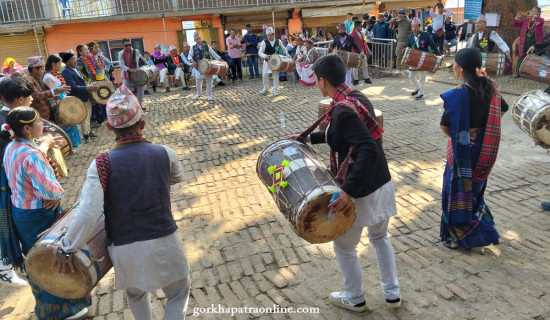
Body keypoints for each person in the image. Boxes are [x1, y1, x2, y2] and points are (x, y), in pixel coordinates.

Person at [51, 85, 190, 320]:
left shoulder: (101, 164)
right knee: (177, 294)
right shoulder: (164, 153)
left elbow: (88, 213)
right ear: (143, 124)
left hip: (125, 249)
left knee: (136, 295)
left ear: (109, 127)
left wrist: (66, 248)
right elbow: (177, 177)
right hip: (165, 241)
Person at [286, 54, 401, 312]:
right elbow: (340, 135)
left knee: (344, 246)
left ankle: (355, 297)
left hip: (360, 188)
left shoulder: (341, 111)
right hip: (380, 181)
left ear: (323, 81)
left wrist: (347, 191)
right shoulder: (357, 98)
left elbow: (367, 149)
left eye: (316, 80)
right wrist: (309, 139)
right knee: (380, 237)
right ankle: (392, 295)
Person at [1, 106, 91, 319]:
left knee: (35, 259)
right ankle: (61, 310)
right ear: (27, 130)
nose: (43, 125)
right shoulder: (32, 155)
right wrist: (57, 194)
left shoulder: (12, 147)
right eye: (38, 122)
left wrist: (45, 144)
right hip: (38, 214)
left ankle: (44, 306)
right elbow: (51, 190)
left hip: (21, 212)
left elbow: (31, 159)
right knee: (51, 260)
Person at [439, 47, 509, 250]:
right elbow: (502, 109)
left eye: (454, 63)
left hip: (463, 151)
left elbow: (445, 127)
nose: (453, 66)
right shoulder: (490, 87)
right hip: (483, 149)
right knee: (475, 194)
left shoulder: (458, 95)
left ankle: (456, 238)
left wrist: (463, 134)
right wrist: (482, 129)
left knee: (456, 195)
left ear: (460, 69)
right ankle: (486, 231)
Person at [0, 78, 32, 288]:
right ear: (20, 99)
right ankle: (5, 266)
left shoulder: (10, 116)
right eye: (29, 97)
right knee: (5, 222)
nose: (31, 100)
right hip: (5, 182)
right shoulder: (5, 122)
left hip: (10, 180)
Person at [43, 54, 82, 149]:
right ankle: (68, 146)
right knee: (65, 124)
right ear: (53, 64)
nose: (60, 66)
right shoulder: (48, 76)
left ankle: (74, 145)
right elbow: (51, 93)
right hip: (58, 103)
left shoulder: (54, 74)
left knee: (71, 123)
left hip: (63, 100)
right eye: (59, 64)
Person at [60, 51, 99, 142]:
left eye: (75, 58)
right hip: (78, 97)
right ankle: (85, 136)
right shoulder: (66, 72)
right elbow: (72, 87)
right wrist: (87, 88)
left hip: (84, 94)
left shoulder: (76, 68)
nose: (75, 60)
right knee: (84, 116)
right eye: (73, 59)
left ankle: (88, 132)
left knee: (88, 114)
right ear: (68, 61)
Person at [24, 56, 70, 121]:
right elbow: (36, 96)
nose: (44, 71)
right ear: (34, 69)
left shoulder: (36, 77)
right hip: (39, 115)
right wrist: (56, 90)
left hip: (45, 113)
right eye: (42, 69)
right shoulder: (28, 80)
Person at [407, 17, 441, 100]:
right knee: (411, 75)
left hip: (424, 58)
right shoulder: (410, 37)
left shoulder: (426, 35)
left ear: (419, 26)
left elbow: (432, 46)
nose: (414, 28)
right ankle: (417, 88)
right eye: (412, 26)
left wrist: (439, 55)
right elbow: (409, 48)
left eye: (415, 26)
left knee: (422, 76)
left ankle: (420, 93)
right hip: (414, 59)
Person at [188, 32, 222, 101]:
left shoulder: (206, 46)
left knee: (209, 81)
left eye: (199, 38)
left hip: (208, 67)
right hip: (199, 67)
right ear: (195, 40)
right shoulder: (193, 48)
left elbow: (213, 53)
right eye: (197, 39)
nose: (198, 40)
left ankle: (208, 95)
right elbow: (189, 56)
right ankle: (198, 93)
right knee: (198, 82)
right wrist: (192, 61)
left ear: (200, 38)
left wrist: (220, 59)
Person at [118, 38, 149, 109]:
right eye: (126, 45)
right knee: (126, 92)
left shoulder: (136, 51)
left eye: (129, 45)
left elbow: (141, 58)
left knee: (141, 89)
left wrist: (148, 65)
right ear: (123, 46)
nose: (128, 46)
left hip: (137, 73)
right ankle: (129, 106)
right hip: (127, 75)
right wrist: (129, 70)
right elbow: (121, 64)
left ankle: (140, 105)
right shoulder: (121, 53)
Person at [514, 7, 545, 78]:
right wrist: (517, 18)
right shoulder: (526, 20)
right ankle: (518, 72)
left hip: (535, 43)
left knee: (534, 57)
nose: (533, 11)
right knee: (521, 56)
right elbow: (516, 24)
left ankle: (532, 74)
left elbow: (541, 21)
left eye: (535, 11)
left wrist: (535, 17)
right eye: (532, 10)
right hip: (525, 41)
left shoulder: (540, 20)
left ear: (538, 13)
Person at [258, 27, 289, 97]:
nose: (269, 37)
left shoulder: (278, 41)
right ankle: (265, 88)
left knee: (275, 76)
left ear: (273, 34)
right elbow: (260, 52)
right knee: (265, 75)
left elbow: (284, 49)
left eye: (270, 35)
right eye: (267, 35)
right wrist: (265, 56)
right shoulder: (264, 42)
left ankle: (275, 90)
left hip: (276, 62)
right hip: (267, 62)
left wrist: (288, 56)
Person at [87, 41, 112, 126]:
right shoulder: (88, 58)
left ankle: (106, 115)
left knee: (106, 96)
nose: (97, 49)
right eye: (95, 48)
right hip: (94, 81)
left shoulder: (100, 56)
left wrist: (106, 69)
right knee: (97, 99)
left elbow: (108, 63)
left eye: (98, 47)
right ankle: (97, 118)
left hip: (103, 79)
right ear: (91, 49)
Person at [349, 20, 372, 85]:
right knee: (355, 66)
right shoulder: (351, 34)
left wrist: (365, 50)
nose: (361, 27)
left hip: (362, 50)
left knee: (364, 65)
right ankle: (356, 79)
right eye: (360, 26)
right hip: (355, 51)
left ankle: (366, 78)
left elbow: (364, 41)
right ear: (357, 26)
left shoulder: (361, 33)